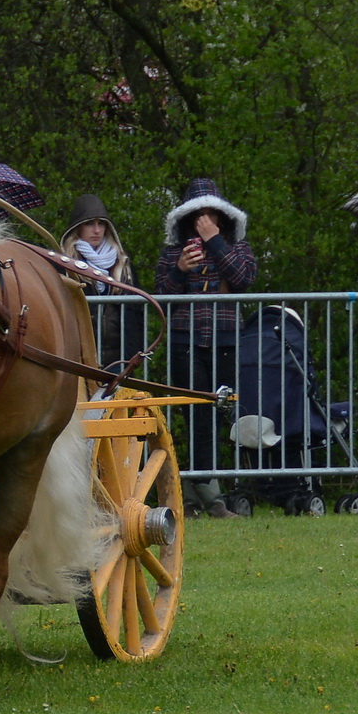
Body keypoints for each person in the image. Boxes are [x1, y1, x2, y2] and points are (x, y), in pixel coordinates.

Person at [156, 178, 257, 518]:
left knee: (219, 415)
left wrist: (215, 242)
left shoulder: (236, 247)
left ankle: (208, 491)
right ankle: (205, 497)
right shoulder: (174, 251)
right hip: (186, 342)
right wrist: (180, 270)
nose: (204, 218)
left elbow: (244, 278)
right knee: (194, 415)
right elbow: (160, 296)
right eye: (198, 213)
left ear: (221, 214)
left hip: (225, 340)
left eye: (210, 212)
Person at [60, 194, 138, 369]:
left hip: (120, 358)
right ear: (78, 227)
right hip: (79, 356)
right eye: (89, 223)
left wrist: (133, 353)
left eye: (101, 223)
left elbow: (136, 312)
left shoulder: (123, 263)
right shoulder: (64, 263)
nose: (96, 230)